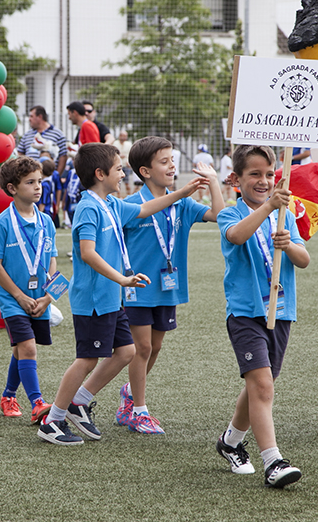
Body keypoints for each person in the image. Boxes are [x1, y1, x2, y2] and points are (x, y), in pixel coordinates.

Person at [37, 143, 208, 445]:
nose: (123, 173)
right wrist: (122, 279)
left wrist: (183, 193)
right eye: (118, 169)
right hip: (92, 299)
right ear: (100, 174)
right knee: (87, 359)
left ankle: (81, 400)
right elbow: (88, 253)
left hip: (109, 298)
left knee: (127, 351)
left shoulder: (112, 204)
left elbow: (144, 208)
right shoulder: (88, 207)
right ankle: (53, 420)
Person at [213, 144, 308, 487]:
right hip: (245, 313)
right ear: (236, 179)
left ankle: (230, 441)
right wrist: (269, 207)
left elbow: (304, 259)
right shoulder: (230, 213)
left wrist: (289, 244)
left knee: (260, 384)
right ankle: (274, 462)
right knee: (263, 384)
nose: (264, 181)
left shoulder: (286, 213)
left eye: (270, 174)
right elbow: (237, 236)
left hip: (281, 312)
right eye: (255, 174)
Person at [116, 136, 224, 434]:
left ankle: (129, 393)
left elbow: (218, 215)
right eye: (164, 162)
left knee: (156, 346)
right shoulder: (131, 206)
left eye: (172, 160)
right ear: (145, 171)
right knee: (143, 346)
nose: (172, 166)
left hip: (168, 288)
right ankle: (138, 410)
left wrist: (213, 181)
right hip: (136, 287)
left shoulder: (184, 205)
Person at [0, 156, 58, 423]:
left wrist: (49, 296)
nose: (38, 187)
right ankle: (38, 403)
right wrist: (18, 295)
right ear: (12, 189)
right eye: (30, 182)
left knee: (20, 350)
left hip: (40, 300)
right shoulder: (2, 223)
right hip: (13, 301)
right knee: (28, 348)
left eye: (39, 181)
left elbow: (53, 264)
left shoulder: (47, 222)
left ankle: (8, 396)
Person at [17, 106, 68, 173]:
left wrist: (57, 175)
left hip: (49, 176)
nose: (29, 119)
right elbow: (20, 153)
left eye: (31, 116)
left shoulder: (58, 134)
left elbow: (63, 156)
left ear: (40, 117)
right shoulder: (27, 135)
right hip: (29, 175)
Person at [114, 130, 134, 196]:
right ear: (120, 136)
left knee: (127, 182)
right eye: (123, 136)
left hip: (126, 165)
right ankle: (118, 197)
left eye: (125, 136)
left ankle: (128, 195)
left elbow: (130, 154)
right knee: (117, 182)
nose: (124, 138)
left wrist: (129, 162)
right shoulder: (115, 143)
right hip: (117, 165)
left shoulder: (128, 144)